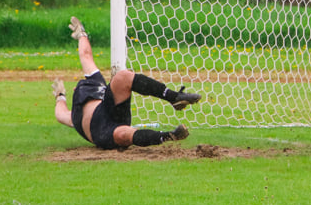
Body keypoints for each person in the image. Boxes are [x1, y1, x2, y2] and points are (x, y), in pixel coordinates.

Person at [52, 16, 201, 149]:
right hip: (102, 131)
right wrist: (60, 96)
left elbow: (85, 55)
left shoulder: (93, 82)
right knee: (122, 134)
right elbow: (61, 114)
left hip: (109, 107)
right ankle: (167, 136)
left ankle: (174, 97)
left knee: (122, 76)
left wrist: (82, 35)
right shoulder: (75, 116)